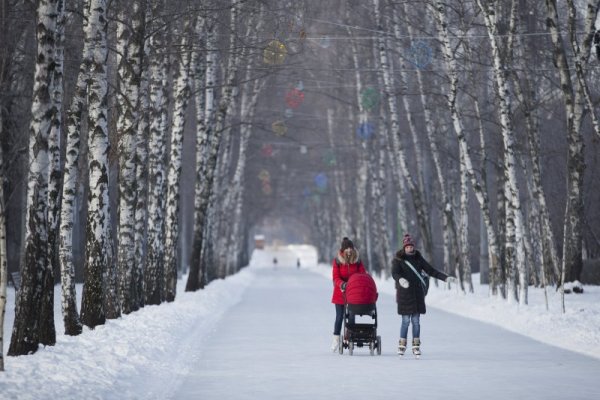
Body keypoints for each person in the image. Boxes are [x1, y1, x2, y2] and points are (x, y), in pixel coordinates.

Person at [391, 233, 457, 357]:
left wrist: (445, 278)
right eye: (407, 247)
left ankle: (416, 346)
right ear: (404, 247)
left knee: (416, 321)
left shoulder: (418, 258)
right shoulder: (398, 260)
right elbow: (394, 273)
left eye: (411, 246)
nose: (410, 248)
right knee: (405, 321)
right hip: (404, 294)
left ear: (414, 247)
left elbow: (431, 271)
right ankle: (402, 344)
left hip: (417, 295)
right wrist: (400, 280)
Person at [330, 237, 366, 352]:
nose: (349, 250)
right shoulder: (337, 261)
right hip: (340, 292)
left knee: (351, 316)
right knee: (340, 317)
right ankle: (336, 338)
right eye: (347, 248)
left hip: (353, 293)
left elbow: (362, 274)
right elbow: (335, 277)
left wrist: (357, 283)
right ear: (343, 250)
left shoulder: (357, 260)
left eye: (351, 248)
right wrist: (342, 284)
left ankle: (349, 336)